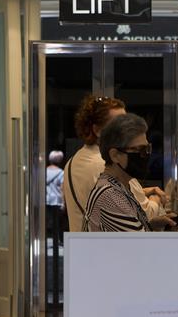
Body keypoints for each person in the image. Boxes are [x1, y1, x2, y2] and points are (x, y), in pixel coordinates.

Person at [63, 96, 167, 232]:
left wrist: (145, 191)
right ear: (98, 130)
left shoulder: (74, 161)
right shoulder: (108, 164)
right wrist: (156, 197)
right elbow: (144, 212)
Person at [85, 113, 175, 232]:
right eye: (139, 150)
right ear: (115, 155)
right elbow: (140, 246)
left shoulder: (121, 187)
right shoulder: (109, 195)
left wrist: (151, 225)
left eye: (147, 149)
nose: (146, 156)